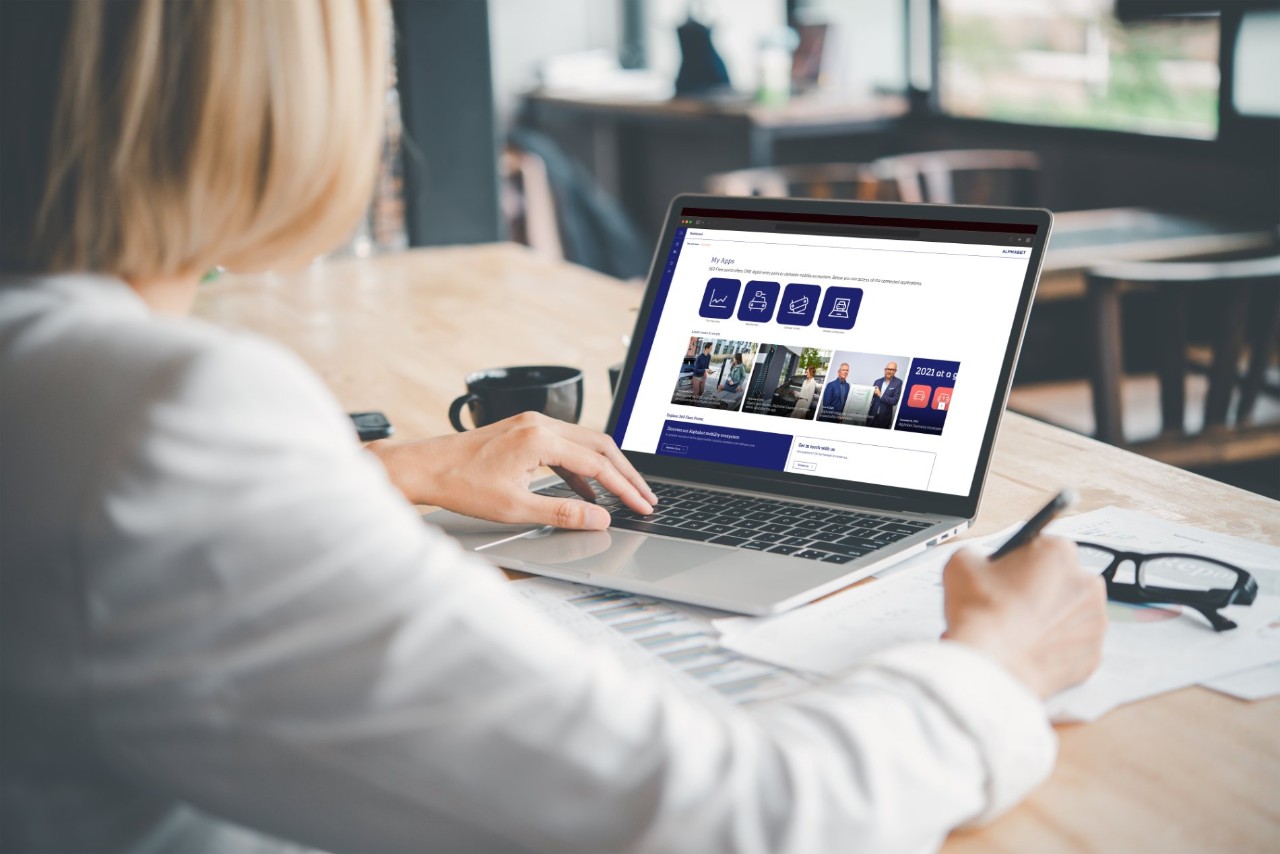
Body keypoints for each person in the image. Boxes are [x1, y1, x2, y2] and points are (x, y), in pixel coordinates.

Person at [0, 3, 1107, 852]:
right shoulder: (151, 415)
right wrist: (996, 664)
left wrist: (388, 469)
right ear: (268, 85)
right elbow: (732, 815)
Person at [869, 361, 904, 429]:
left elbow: (894, 401)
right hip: (872, 416)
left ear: (895, 371)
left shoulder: (898, 383)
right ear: (885, 370)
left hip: (884, 418)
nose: (889, 371)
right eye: (888, 369)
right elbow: (871, 397)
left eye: (892, 370)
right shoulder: (877, 381)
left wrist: (880, 395)